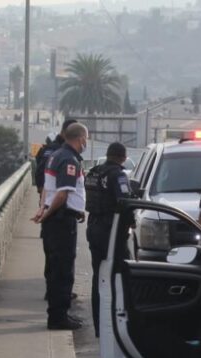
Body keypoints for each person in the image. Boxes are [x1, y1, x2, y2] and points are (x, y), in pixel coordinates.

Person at [34, 122, 88, 330]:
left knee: (56, 268)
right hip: (60, 221)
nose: (86, 143)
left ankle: (59, 314)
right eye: (86, 139)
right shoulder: (69, 160)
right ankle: (58, 317)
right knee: (63, 270)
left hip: (57, 218)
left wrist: (42, 210)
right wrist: (46, 213)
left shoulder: (55, 155)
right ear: (81, 139)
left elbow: (47, 188)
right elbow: (62, 194)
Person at [85, 142, 130, 337]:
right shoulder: (118, 175)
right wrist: (132, 222)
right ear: (122, 157)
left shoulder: (93, 173)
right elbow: (125, 201)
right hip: (112, 231)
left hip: (94, 226)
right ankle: (116, 325)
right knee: (118, 277)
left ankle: (99, 326)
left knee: (98, 276)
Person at [35, 117, 76, 300]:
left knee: (51, 253)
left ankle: (52, 291)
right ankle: (57, 296)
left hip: (47, 204)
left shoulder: (49, 151)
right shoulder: (63, 155)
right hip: (58, 211)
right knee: (61, 258)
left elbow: (41, 181)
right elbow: (61, 191)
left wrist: (43, 205)